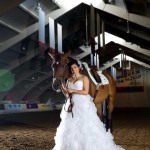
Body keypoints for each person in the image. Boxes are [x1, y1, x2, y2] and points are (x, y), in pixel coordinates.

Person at [52, 60, 125, 150]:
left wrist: (73, 90)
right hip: (73, 105)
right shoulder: (69, 80)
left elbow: (86, 92)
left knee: (86, 125)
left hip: (83, 103)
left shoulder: (84, 78)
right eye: (71, 68)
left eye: (75, 67)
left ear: (78, 68)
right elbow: (68, 95)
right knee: (72, 127)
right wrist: (64, 90)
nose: (73, 70)